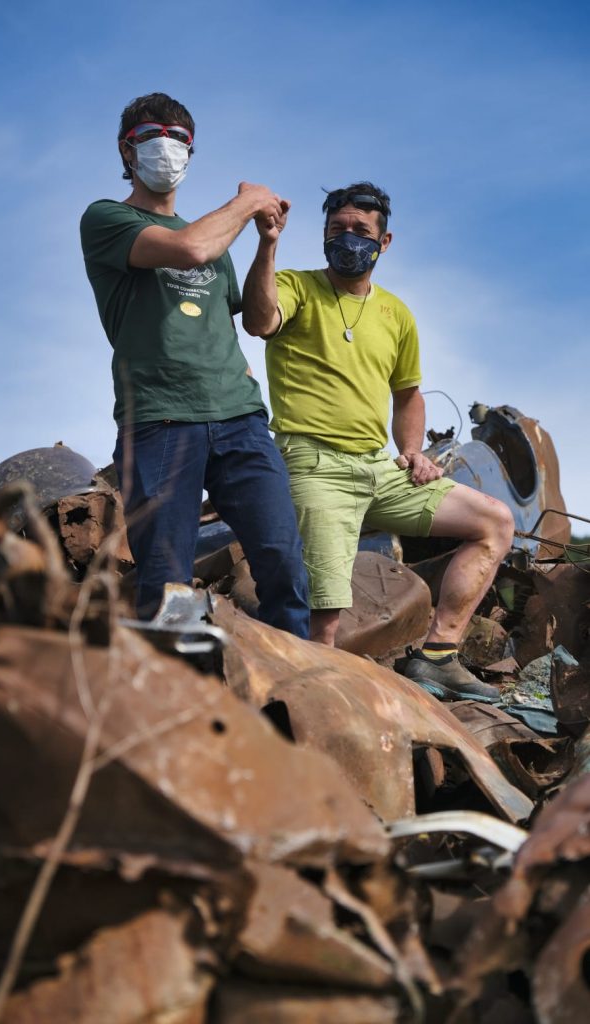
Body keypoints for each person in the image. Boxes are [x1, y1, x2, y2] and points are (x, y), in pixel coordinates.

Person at [242, 181, 514, 700]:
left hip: (380, 470)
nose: (348, 239)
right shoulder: (296, 286)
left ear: (384, 242)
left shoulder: (396, 314)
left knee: (494, 522)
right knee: (325, 622)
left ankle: (438, 656)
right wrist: (268, 243)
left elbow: (408, 395)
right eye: (336, 230)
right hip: (314, 466)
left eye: (361, 231)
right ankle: (306, 720)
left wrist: (412, 451)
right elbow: (259, 321)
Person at [80, 92, 309, 638]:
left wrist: (266, 245)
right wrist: (251, 200)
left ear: (191, 151)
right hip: (160, 423)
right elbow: (189, 249)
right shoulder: (108, 219)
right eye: (152, 138)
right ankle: (176, 707)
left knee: (283, 561)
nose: (168, 148)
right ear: (126, 151)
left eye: (179, 139)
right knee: (167, 585)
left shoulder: (215, 235)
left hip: (240, 420)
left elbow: (257, 320)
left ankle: (297, 698)